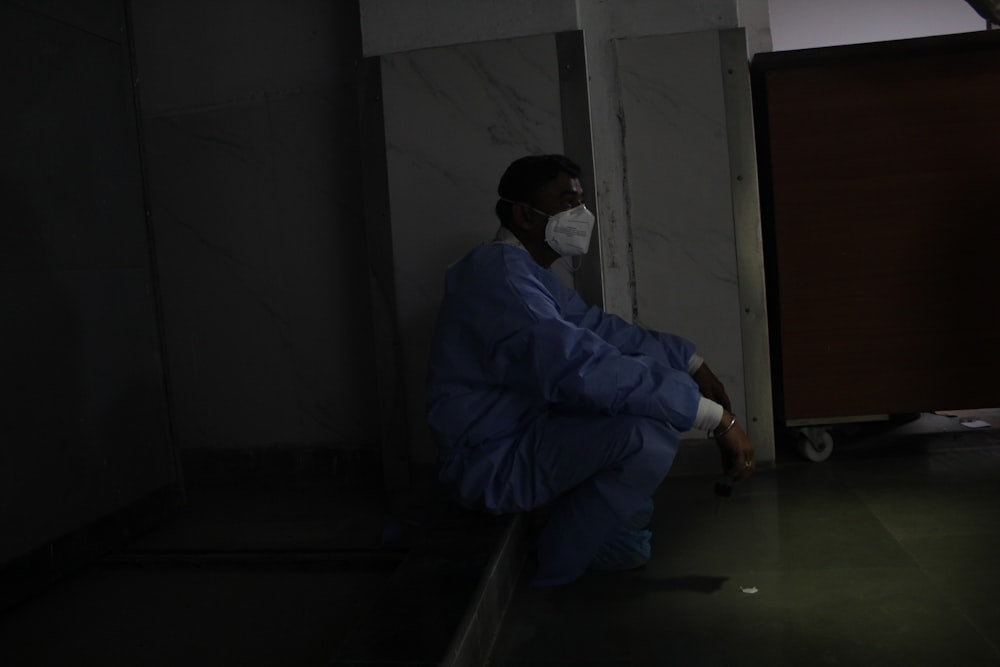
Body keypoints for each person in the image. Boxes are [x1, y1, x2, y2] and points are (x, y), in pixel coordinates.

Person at [425, 154, 755, 586]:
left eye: (581, 202)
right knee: (646, 435)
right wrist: (715, 419)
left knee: (656, 397)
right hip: (491, 459)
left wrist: (689, 362)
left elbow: (597, 331)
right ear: (525, 214)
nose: (581, 216)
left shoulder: (523, 271)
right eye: (567, 202)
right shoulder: (501, 278)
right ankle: (554, 569)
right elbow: (581, 367)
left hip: (524, 433)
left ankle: (602, 527)